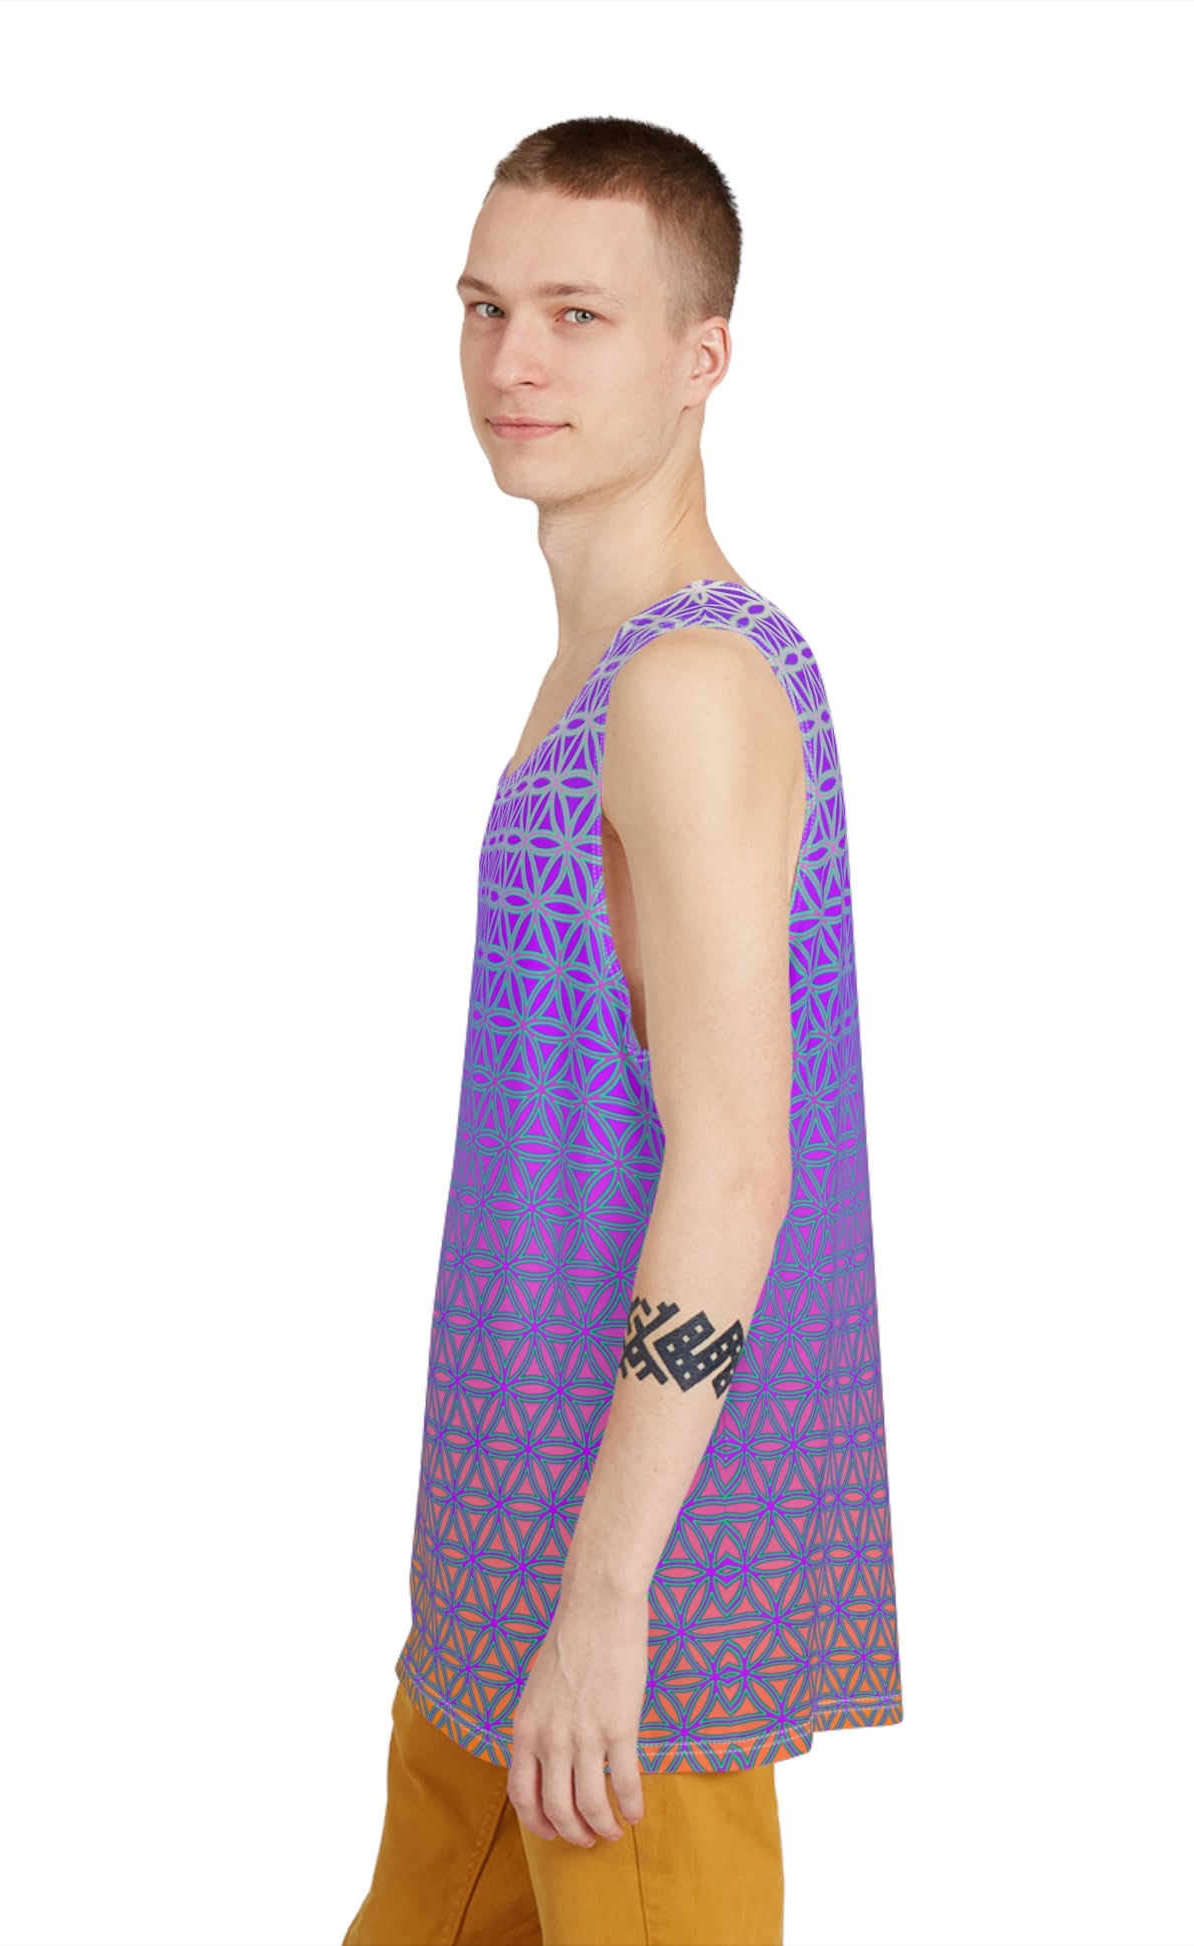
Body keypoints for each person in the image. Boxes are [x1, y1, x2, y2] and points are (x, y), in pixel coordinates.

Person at [343, 115, 902, 1946]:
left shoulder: (689, 680)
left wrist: (604, 1600)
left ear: (699, 354)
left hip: (627, 1619)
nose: (513, 358)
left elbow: (737, 1167)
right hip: (501, 1576)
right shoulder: (600, 663)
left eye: (578, 314)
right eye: (485, 306)